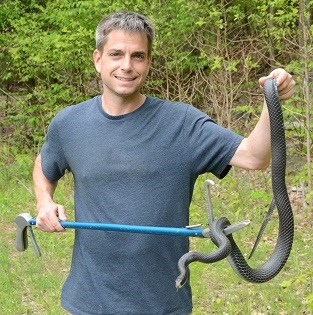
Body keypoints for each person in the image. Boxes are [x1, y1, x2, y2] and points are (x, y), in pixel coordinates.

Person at [33, 11, 295, 315]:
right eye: (116, 54)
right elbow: (45, 163)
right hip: (88, 302)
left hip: (162, 304)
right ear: (98, 59)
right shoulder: (69, 124)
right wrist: (44, 201)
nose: (127, 65)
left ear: (149, 63)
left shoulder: (181, 123)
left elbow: (255, 156)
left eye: (138, 56)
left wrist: (270, 100)